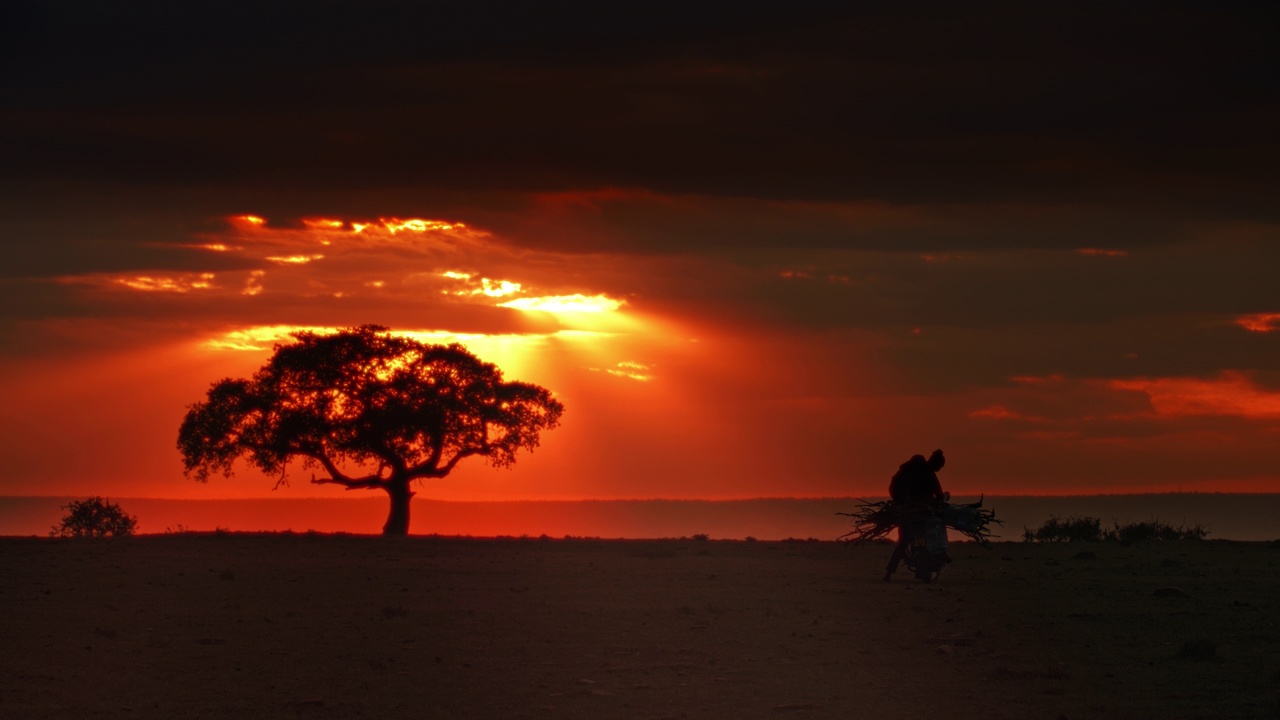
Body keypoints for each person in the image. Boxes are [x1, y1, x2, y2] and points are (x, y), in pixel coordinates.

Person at [883, 449, 949, 581]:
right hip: (921, 516)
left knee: (903, 543)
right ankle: (930, 566)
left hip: (905, 512)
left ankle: (889, 573)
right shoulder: (929, 474)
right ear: (935, 464)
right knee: (932, 537)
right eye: (939, 467)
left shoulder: (909, 470)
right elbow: (939, 495)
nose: (939, 470)